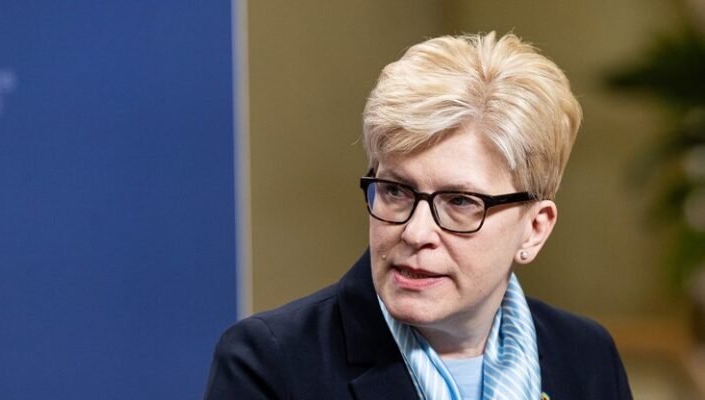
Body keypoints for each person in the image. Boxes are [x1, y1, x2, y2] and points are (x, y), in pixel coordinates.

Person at [204, 32, 632, 400]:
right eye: (395, 191)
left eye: (460, 201)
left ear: (534, 230)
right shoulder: (271, 364)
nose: (415, 231)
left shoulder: (587, 356)